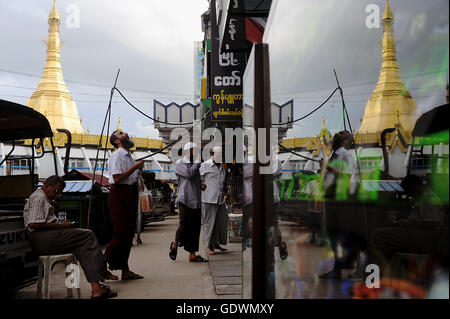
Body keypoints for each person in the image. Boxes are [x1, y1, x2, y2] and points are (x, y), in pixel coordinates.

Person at [24, 175, 118, 299]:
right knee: (88, 236)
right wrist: (60, 226)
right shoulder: (38, 197)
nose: (57, 195)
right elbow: (33, 224)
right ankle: (102, 271)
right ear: (46, 186)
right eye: (56, 191)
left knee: (82, 246)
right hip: (41, 238)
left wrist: (55, 210)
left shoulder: (46, 198)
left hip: (46, 237)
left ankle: (96, 288)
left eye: (60, 193)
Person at [369, 174, 447, 276]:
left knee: (378, 235)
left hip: (425, 238)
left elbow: (432, 224)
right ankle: (375, 278)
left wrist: (408, 225)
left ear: (417, 186)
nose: (409, 193)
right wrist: (402, 223)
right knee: (384, 246)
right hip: (420, 235)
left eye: (409, 189)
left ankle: (372, 279)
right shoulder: (422, 198)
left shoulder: (428, 197)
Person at [320, 131, 360, 279]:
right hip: (331, 198)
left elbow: (347, 177)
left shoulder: (346, 156)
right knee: (332, 234)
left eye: (343, 134)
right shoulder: (332, 156)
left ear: (345, 141)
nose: (337, 134)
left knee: (340, 233)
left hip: (341, 200)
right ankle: (339, 265)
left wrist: (329, 168)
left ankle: (343, 265)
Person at [105, 130, 144, 280]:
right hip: (119, 194)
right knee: (120, 231)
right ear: (117, 141)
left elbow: (130, 177)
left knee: (128, 233)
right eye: (121, 133)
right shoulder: (117, 155)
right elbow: (117, 178)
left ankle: (124, 270)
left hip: (129, 193)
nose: (126, 133)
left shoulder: (129, 156)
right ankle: (101, 265)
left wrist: (137, 172)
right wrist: (135, 167)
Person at [169, 142, 207, 262]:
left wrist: (201, 185)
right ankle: (175, 244)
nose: (196, 153)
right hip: (185, 200)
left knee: (195, 228)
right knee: (184, 224)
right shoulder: (180, 163)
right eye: (194, 151)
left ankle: (192, 254)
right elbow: (189, 174)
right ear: (188, 151)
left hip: (196, 200)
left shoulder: (196, 165)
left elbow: (195, 180)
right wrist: (197, 162)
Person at [200, 146, 228, 256]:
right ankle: (210, 246)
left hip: (220, 199)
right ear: (212, 154)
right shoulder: (205, 165)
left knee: (221, 222)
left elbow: (222, 182)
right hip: (208, 198)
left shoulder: (222, 166)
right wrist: (202, 187)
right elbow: (200, 179)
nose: (220, 156)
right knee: (209, 223)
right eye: (218, 154)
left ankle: (216, 243)